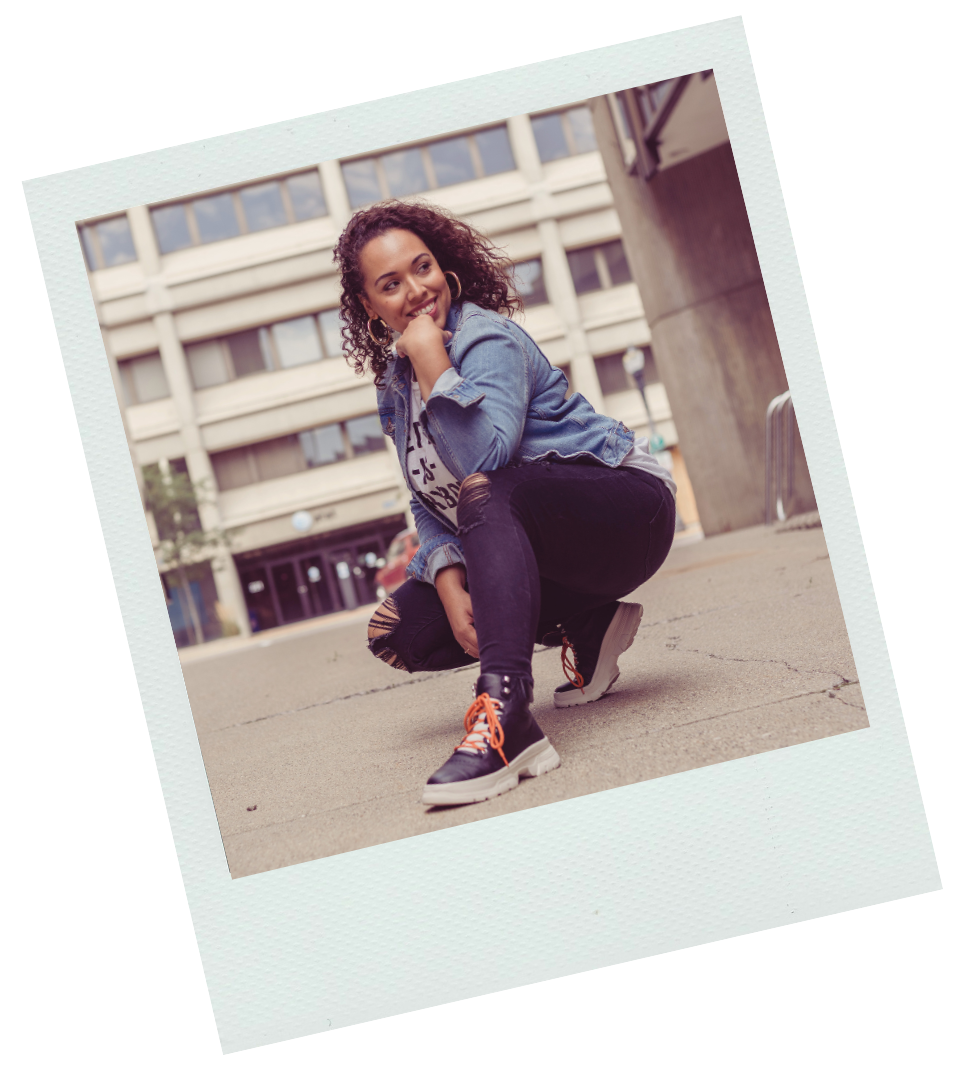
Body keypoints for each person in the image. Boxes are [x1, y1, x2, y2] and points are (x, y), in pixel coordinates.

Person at [332, 201, 677, 808]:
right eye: (390, 284)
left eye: (422, 268)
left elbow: (483, 461)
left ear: (444, 267)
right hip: (542, 539)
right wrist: (445, 574)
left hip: (629, 511)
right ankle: (588, 622)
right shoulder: (394, 384)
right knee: (402, 632)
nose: (416, 291)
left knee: (487, 490)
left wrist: (433, 361)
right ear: (369, 305)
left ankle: (508, 716)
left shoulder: (483, 338)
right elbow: (427, 492)